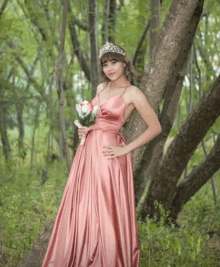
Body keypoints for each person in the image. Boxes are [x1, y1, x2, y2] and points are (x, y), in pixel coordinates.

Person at [41, 42, 162, 267]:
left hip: (109, 156)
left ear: (124, 63)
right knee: (84, 205)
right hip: (87, 153)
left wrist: (126, 149)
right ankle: (81, 255)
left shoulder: (133, 93)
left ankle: (106, 259)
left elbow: (155, 127)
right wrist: (86, 127)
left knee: (106, 207)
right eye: (105, 64)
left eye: (113, 62)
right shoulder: (100, 88)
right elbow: (98, 118)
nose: (109, 68)